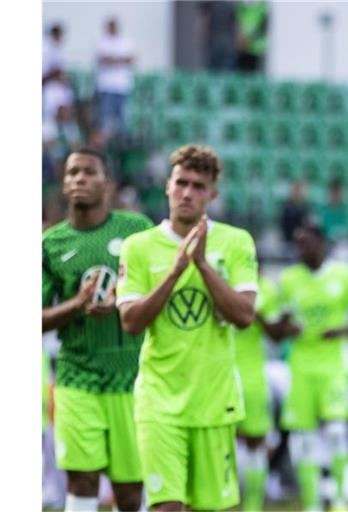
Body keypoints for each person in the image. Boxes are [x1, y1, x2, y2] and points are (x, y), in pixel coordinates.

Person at [116, 144, 258, 511]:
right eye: (181, 182)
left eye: (198, 186)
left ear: (213, 194)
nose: (187, 193)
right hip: (159, 401)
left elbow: (244, 316)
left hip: (214, 402)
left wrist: (203, 267)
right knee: (166, 506)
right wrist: (177, 270)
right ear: (167, 186)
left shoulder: (235, 242)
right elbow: (130, 322)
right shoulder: (139, 247)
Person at [42, 148, 153, 512]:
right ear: (63, 183)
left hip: (129, 378)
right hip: (77, 378)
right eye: (72, 173)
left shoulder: (136, 230)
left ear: (107, 182)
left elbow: (164, 284)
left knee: (129, 491)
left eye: (89, 172)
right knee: (82, 478)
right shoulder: (50, 244)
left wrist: (122, 298)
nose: (79, 180)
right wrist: (77, 304)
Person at [273, 224, 348, 511]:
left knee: (336, 430)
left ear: (321, 244)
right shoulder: (289, 279)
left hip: (333, 366)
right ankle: (312, 502)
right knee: (302, 437)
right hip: (300, 367)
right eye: (297, 244)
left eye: (306, 243)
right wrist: (287, 328)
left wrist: (340, 331)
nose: (301, 250)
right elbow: (278, 326)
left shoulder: (345, 276)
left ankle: (339, 498)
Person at [233, 261, 281, 511]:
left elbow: (275, 332)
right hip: (219, 373)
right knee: (216, 440)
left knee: (255, 441)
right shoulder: (220, 284)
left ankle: (253, 506)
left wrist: (251, 311)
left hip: (252, 373)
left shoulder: (266, 290)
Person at [94, 17, 135, 139]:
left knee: (122, 118)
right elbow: (103, 59)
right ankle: (105, 142)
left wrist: (113, 59)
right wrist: (120, 59)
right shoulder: (101, 41)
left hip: (122, 86)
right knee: (105, 117)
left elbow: (131, 59)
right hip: (106, 86)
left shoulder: (126, 41)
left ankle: (120, 142)